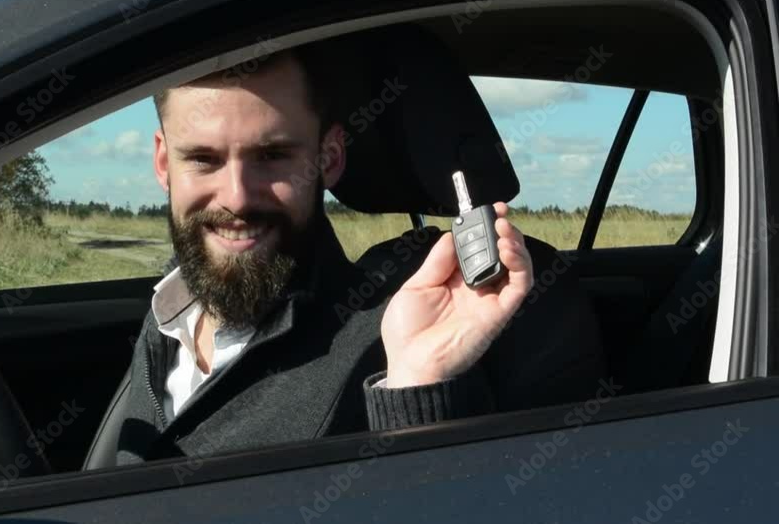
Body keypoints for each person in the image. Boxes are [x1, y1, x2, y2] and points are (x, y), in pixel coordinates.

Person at [97, 45, 549, 467]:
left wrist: (418, 387)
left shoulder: (394, 346)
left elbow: (448, 499)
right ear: (164, 163)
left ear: (329, 158)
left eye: (272, 155)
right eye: (203, 158)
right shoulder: (168, 310)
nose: (236, 198)